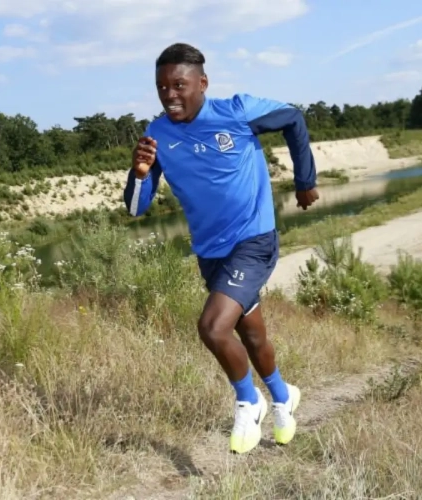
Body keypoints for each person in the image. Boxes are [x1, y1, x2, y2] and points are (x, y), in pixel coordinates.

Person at [123, 43, 320, 454]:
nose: (169, 95)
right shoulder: (157, 134)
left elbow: (293, 118)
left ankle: (249, 402)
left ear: (202, 83)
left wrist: (304, 180)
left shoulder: (237, 112)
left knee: (213, 327)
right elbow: (135, 209)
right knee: (251, 334)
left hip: (253, 239)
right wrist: (139, 172)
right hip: (210, 252)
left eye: (179, 85)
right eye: (162, 87)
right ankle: (283, 396)